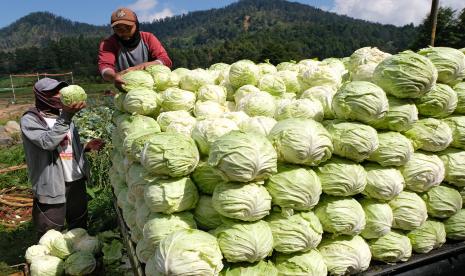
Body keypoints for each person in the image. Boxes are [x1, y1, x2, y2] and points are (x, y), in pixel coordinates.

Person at [20, 78, 104, 239]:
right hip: (52, 184)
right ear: (41, 96)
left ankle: (76, 260)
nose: (59, 95)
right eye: (53, 92)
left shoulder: (63, 117)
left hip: (76, 180)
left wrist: (86, 146)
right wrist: (67, 115)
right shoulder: (30, 119)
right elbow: (47, 142)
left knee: (78, 228)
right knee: (50, 231)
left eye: (60, 91)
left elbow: (66, 145)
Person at [98, 7, 173, 90]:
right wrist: (114, 76)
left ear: (136, 25)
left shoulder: (148, 38)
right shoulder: (109, 44)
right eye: (118, 29)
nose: (124, 32)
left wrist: (143, 66)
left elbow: (165, 60)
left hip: (154, 88)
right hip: (126, 89)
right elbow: (105, 67)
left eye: (128, 27)